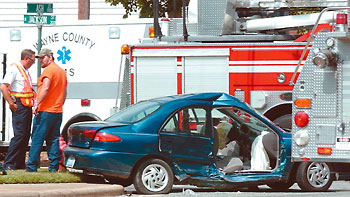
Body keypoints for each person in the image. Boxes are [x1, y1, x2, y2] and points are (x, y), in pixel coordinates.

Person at [26, 48, 67, 172]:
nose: (41, 61)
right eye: (39, 58)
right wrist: (60, 104)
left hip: (45, 111)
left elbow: (45, 88)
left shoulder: (48, 71)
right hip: (57, 111)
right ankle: (54, 167)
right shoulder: (61, 71)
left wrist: (37, 103)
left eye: (43, 58)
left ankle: (31, 167)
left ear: (50, 57)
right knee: (53, 139)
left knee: (37, 139)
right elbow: (64, 92)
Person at [0, 49, 36, 170]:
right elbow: (3, 87)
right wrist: (11, 103)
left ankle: (19, 163)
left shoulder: (25, 70)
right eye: (32, 60)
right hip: (19, 105)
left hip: (27, 105)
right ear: (26, 58)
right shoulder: (14, 69)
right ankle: (9, 163)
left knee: (25, 135)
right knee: (19, 134)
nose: (33, 63)